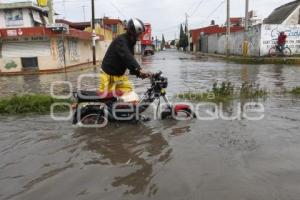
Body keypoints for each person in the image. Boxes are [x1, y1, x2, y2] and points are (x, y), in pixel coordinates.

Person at [99, 18, 150, 101]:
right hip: (108, 76)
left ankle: (122, 112)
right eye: (140, 33)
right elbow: (127, 56)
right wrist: (139, 68)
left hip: (120, 76)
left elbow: (129, 62)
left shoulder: (130, 42)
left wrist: (139, 73)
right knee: (103, 101)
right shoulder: (121, 41)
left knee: (130, 95)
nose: (142, 35)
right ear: (134, 32)